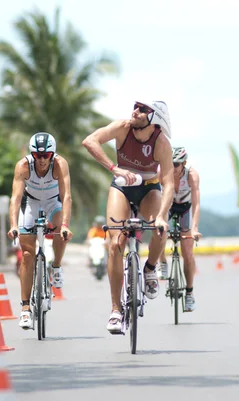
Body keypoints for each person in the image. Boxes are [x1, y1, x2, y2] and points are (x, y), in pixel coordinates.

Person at [82, 100, 174, 333]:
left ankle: (150, 268)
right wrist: (114, 168)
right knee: (114, 244)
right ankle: (115, 310)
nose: (135, 111)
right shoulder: (122, 127)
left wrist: (162, 215)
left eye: (142, 109)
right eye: (135, 106)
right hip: (121, 186)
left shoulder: (161, 142)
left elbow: (169, 183)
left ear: (155, 118)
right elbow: (89, 141)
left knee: (161, 229)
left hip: (148, 189)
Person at [6, 132, 73, 329]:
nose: (42, 160)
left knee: (60, 228)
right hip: (31, 204)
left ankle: (57, 266)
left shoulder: (60, 164)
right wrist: (13, 225)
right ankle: (25, 308)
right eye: (37, 155)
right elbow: (16, 198)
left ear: (52, 154)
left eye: (46, 156)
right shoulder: (23, 166)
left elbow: (67, 196)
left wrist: (66, 225)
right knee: (27, 254)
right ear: (32, 154)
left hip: (54, 203)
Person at [158, 147, 202, 312]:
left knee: (187, 253)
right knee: (158, 230)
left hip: (184, 207)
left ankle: (189, 294)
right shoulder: (162, 172)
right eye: (170, 163)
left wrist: (194, 229)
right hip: (167, 205)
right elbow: (155, 194)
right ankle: (162, 263)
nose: (172, 167)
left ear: (183, 163)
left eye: (175, 164)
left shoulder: (191, 175)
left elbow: (196, 203)